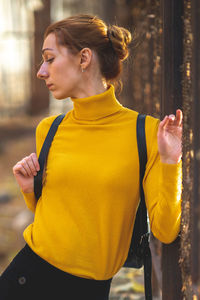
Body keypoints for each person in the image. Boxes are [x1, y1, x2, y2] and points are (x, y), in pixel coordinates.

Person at [0, 14, 182, 300]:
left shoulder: (145, 133)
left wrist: (171, 163)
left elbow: (166, 230)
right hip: (27, 275)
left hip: (90, 290)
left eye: (49, 59)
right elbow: (59, 219)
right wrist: (28, 190)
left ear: (84, 58)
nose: (41, 72)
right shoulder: (49, 129)